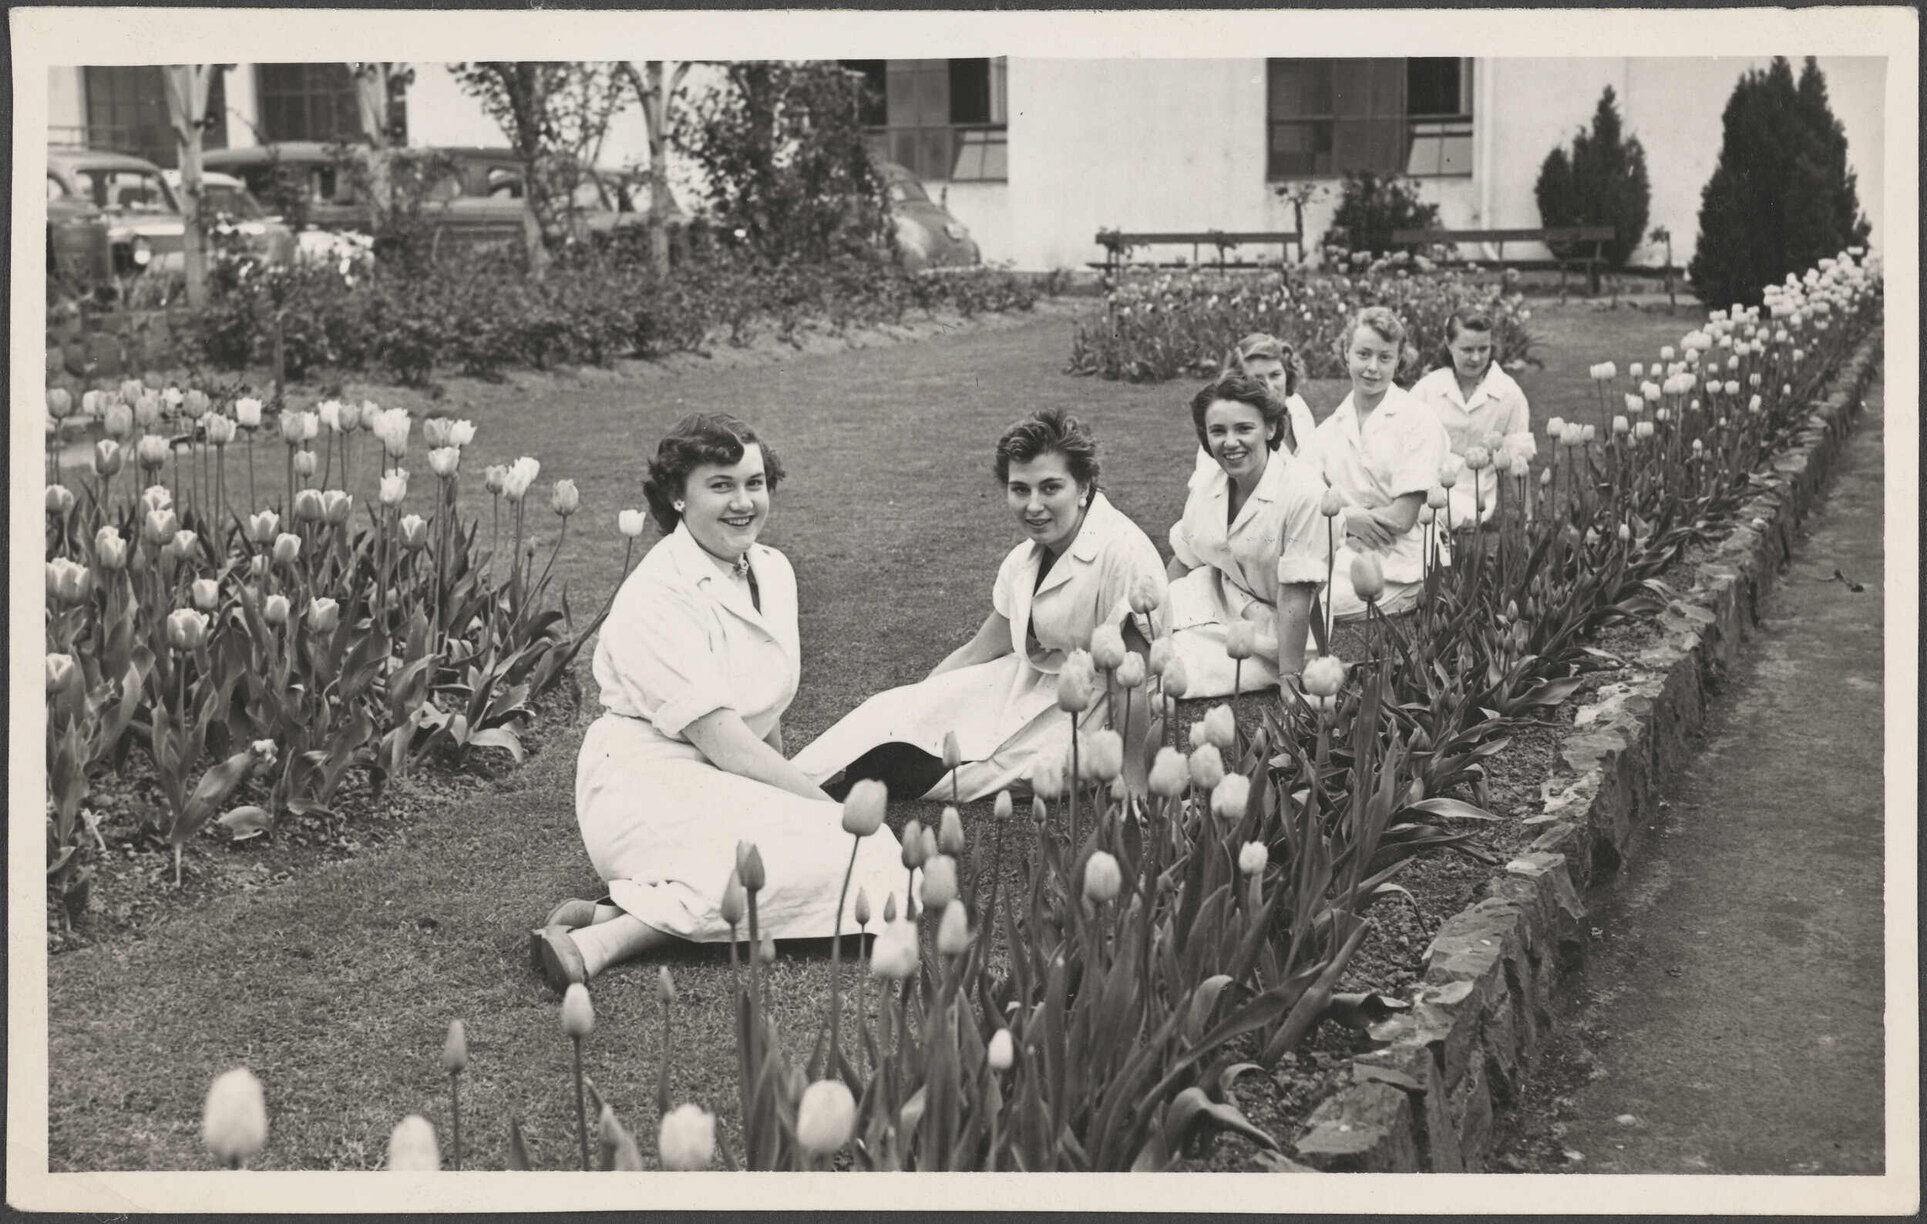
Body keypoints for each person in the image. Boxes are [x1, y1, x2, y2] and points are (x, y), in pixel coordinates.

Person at [534, 413, 909, 993]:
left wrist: (791, 808)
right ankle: (604, 942)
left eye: (754, 483)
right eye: (721, 485)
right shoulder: (656, 594)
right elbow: (727, 743)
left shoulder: (772, 569)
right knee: (865, 852)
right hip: (644, 787)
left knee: (870, 865)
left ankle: (619, 914)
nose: (743, 503)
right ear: (678, 499)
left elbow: (765, 710)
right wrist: (826, 811)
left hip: (717, 778)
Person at [793, 407, 1167, 803]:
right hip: (1028, 683)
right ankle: (785, 782)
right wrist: (914, 711)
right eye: (1020, 489)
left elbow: (1133, 683)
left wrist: (1134, 784)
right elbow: (980, 649)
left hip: (1096, 714)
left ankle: (813, 799)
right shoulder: (1026, 558)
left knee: (918, 772)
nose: (1033, 506)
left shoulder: (1122, 554)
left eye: (1050, 487)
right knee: (883, 729)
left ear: (1084, 487)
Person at [1165, 372, 1329, 696]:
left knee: (1169, 670)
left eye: (1243, 428)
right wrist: (1157, 610)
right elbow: (1184, 559)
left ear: (1270, 428)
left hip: (1283, 628)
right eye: (1218, 431)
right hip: (1222, 596)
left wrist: (1290, 677)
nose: (1230, 442)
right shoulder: (1207, 484)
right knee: (1140, 635)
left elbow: (1297, 594)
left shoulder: (1304, 492)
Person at [1316, 306, 1453, 620]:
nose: (1372, 368)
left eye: (1385, 357)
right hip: (1343, 552)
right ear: (1345, 354)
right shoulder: (1332, 425)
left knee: (1309, 598)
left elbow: (1401, 519)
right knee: (1284, 583)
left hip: (1401, 567)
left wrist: (1338, 521)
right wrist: (1349, 520)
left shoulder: (1418, 420)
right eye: (1363, 354)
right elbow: (1300, 496)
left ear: (1399, 359)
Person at [1409, 311, 1535, 527]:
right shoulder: (1427, 388)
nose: (1476, 358)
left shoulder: (1508, 393)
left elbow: (1518, 460)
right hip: (1424, 486)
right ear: (1449, 344)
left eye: (1483, 349)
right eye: (1467, 349)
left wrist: (1528, 519)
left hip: (1473, 499)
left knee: (1422, 518)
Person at [1189, 333, 1320, 491]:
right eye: (1257, 379)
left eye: (1275, 375)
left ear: (1288, 374)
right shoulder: (1225, 430)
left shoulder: (1298, 408)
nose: (1269, 386)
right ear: (1239, 382)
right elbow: (1202, 486)